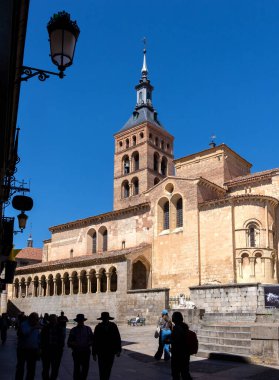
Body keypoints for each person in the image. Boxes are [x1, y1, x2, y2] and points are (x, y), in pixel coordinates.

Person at [92, 311, 121, 380]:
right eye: (104, 318)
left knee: (108, 369)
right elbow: (95, 340)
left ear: (108, 318)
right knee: (102, 369)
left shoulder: (113, 326)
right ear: (102, 319)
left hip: (111, 352)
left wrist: (118, 350)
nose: (105, 320)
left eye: (106, 318)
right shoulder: (98, 327)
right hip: (101, 352)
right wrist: (94, 353)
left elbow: (117, 338)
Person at [15, 312, 41, 380]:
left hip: (33, 350)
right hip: (23, 349)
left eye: (37, 319)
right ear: (31, 319)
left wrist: (38, 348)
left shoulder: (35, 325)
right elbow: (24, 334)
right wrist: (33, 328)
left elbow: (38, 337)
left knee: (31, 369)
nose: (37, 321)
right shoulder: (24, 324)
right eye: (36, 319)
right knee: (20, 368)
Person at [67, 314, 93, 380]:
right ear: (77, 321)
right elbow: (69, 342)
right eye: (79, 321)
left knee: (85, 369)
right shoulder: (73, 330)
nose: (80, 322)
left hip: (86, 352)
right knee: (77, 369)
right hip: (77, 353)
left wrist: (88, 343)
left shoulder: (88, 329)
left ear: (83, 321)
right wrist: (75, 344)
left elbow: (93, 340)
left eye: (81, 320)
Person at [41, 314, 65, 380]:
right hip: (47, 351)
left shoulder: (60, 328)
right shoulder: (45, 328)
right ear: (50, 320)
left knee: (55, 369)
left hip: (56, 351)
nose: (54, 321)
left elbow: (62, 340)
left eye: (54, 319)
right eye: (52, 319)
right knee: (46, 369)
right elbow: (42, 339)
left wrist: (60, 350)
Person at [170, 311, 192, 380]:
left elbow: (177, 341)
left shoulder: (177, 328)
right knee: (185, 373)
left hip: (178, 355)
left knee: (176, 374)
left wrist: (169, 341)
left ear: (174, 319)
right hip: (185, 354)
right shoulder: (185, 326)